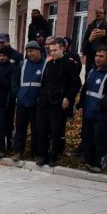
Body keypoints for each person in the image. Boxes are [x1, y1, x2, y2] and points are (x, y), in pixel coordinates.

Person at [36, 39, 81, 167]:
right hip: (45, 102)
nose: (52, 53)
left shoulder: (70, 64)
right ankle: (42, 155)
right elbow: (44, 82)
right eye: (51, 51)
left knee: (56, 131)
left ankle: (53, 156)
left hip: (58, 103)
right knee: (42, 130)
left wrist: (68, 98)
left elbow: (76, 84)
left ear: (63, 49)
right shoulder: (49, 63)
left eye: (55, 50)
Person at [76, 47, 107, 173]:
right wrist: (80, 105)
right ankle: (89, 162)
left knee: (100, 140)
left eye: (101, 56)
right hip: (88, 113)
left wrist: (101, 106)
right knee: (87, 138)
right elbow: (85, 90)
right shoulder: (91, 71)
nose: (98, 58)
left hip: (103, 116)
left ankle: (100, 164)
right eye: (97, 55)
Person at [11, 41, 45, 161]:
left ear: (38, 51)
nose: (29, 53)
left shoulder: (45, 64)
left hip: (37, 104)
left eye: (31, 51)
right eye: (27, 51)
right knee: (20, 128)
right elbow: (14, 82)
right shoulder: (22, 64)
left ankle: (36, 153)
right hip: (22, 102)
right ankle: (18, 151)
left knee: (37, 129)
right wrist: (18, 94)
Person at [82, 7, 107, 72]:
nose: (98, 14)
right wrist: (84, 48)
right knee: (89, 73)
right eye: (97, 12)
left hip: (101, 54)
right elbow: (85, 39)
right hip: (90, 55)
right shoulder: (91, 25)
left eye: (100, 13)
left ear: (104, 15)